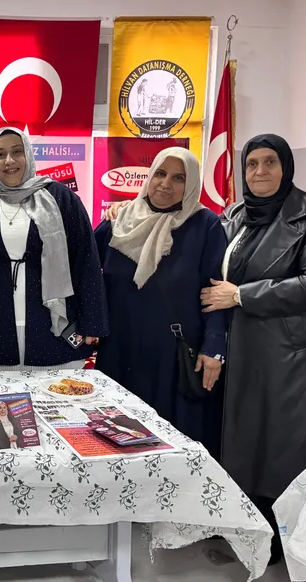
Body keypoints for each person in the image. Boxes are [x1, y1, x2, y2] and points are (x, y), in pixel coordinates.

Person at [199, 134, 306, 564]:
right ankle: (246, 529)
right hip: (239, 346)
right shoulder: (235, 214)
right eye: (252, 163)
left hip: (286, 354)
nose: (259, 171)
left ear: (286, 167)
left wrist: (242, 295)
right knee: (243, 441)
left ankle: (284, 539)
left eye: (270, 162)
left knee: (282, 447)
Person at [94, 147, 227, 456]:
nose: (166, 184)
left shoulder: (204, 225)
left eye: (179, 178)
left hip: (172, 356)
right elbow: (84, 273)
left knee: (171, 445)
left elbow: (215, 292)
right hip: (120, 351)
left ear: (191, 184)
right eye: (160, 173)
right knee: (115, 442)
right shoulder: (119, 220)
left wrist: (214, 347)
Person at [0, 128, 108, 369]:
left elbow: (86, 261)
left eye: (17, 152)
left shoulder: (61, 198)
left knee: (57, 389)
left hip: (52, 322)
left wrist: (92, 322)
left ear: (29, 155)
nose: (9, 160)